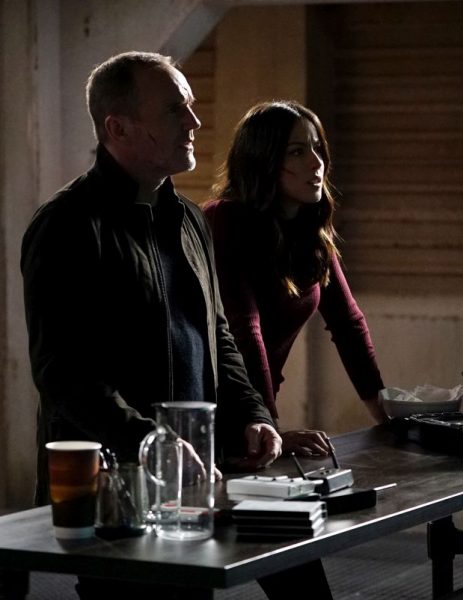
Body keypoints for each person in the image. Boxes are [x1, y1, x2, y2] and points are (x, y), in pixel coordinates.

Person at [20, 51, 292, 599]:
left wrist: (253, 414)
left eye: (190, 105)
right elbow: (64, 374)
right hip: (113, 487)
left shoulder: (190, 219)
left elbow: (217, 337)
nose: (194, 120)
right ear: (117, 127)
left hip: (191, 479)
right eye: (174, 109)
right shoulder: (68, 225)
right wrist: (151, 443)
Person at [203, 100, 388, 457]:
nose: (317, 162)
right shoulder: (225, 219)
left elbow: (348, 323)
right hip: (211, 411)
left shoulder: (309, 231)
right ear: (264, 159)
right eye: (297, 151)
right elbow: (244, 327)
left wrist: (387, 416)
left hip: (254, 415)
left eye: (317, 147)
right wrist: (270, 427)